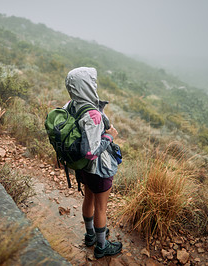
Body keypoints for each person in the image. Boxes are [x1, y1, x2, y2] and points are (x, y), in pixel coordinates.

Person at [64, 67, 122, 259]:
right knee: (101, 208)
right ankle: (101, 247)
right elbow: (90, 152)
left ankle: (90, 235)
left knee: (88, 199)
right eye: (92, 82)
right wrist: (109, 137)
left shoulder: (70, 105)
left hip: (82, 168)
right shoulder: (93, 115)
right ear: (87, 86)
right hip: (97, 168)